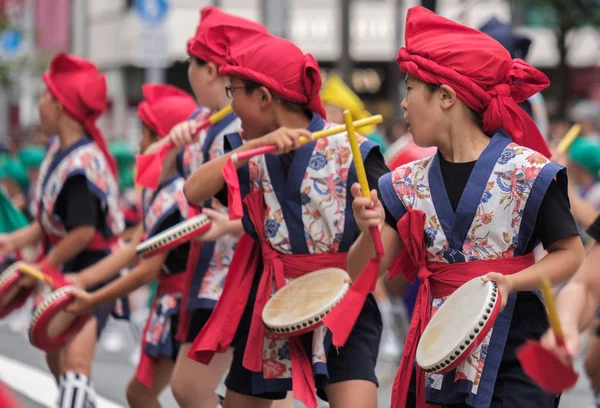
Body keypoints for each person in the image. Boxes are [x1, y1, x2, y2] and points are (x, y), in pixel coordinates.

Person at [348, 7, 584, 408]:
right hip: (438, 346)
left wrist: (512, 281)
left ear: (445, 96)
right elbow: (359, 272)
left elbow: (570, 254)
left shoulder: (528, 171)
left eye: (408, 88)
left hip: (517, 347)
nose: (401, 105)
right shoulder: (401, 183)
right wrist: (365, 230)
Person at [182, 30, 385, 408]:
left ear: (262, 97)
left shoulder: (353, 148)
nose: (231, 105)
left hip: (341, 300)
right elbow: (193, 190)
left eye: (234, 91)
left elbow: (385, 239)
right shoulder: (247, 153)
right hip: (272, 303)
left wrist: (370, 224)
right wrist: (251, 147)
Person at [141, 7, 273, 408]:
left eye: (192, 64)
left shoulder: (240, 129)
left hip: (235, 273)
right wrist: (174, 148)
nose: (189, 73)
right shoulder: (203, 123)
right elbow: (164, 183)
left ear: (212, 71)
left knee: (195, 388)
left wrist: (232, 226)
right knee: (247, 394)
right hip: (212, 273)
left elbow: (268, 205)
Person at [0, 53, 125, 408]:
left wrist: (44, 265)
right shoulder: (60, 149)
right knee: (56, 358)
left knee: (75, 362)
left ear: (59, 106)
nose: (39, 104)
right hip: (68, 266)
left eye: (43, 96)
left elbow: (83, 232)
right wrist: (13, 240)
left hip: (93, 270)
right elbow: (51, 224)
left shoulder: (81, 166)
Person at [67, 84, 201, 408]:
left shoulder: (178, 194)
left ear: (165, 140)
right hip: (176, 303)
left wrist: (92, 297)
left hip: (186, 306)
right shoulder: (162, 189)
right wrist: (81, 281)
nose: (140, 143)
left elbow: (146, 270)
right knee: (148, 394)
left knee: (160, 395)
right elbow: (136, 248)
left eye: (146, 134)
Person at [321, 73, 388, 153]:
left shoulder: (370, 139)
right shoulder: (321, 138)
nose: (328, 117)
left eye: (333, 112)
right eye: (324, 112)